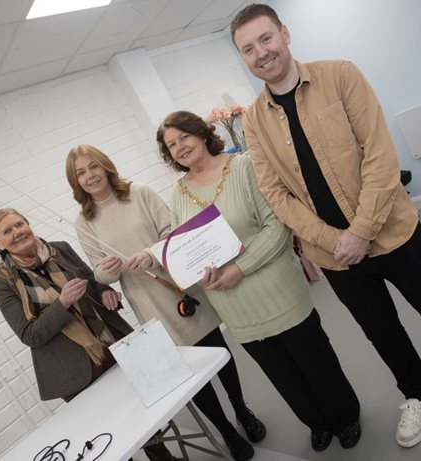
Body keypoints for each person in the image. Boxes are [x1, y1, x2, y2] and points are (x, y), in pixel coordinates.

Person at [230, 3, 421, 448]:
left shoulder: (340, 75)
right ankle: (419, 395)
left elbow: (381, 155)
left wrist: (361, 230)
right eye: (247, 49)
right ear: (244, 58)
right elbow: (276, 196)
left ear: (285, 34)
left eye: (265, 39)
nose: (260, 53)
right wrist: (334, 241)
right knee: (382, 332)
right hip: (337, 257)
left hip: (392, 232)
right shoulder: (254, 120)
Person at [152, 111, 361, 452]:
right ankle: (315, 422)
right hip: (235, 307)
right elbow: (185, 244)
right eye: (171, 145)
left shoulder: (244, 168)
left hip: (277, 289)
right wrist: (196, 272)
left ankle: (345, 416)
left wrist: (239, 269)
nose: (179, 148)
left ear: (202, 134)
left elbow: (276, 226)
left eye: (183, 138)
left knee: (315, 362)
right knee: (281, 374)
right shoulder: (178, 194)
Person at [65, 144, 265, 461]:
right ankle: (225, 430)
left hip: (179, 288)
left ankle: (242, 409)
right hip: (148, 303)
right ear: (75, 181)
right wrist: (105, 272)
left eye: (93, 167)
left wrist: (150, 254)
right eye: (81, 172)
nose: (89, 176)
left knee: (219, 352)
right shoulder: (84, 222)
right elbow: (99, 275)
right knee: (190, 371)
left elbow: (172, 231)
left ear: (105, 166)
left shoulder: (139, 192)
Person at [0, 208, 176, 461]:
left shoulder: (60, 248)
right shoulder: (2, 281)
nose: (17, 232)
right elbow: (29, 335)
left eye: (20, 224)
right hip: (72, 371)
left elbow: (93, 280)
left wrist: (105, 290)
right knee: (113, 433)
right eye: (7, 231)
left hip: (112, 345)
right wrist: (61, 303)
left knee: (146, 413)